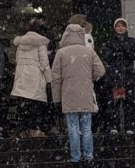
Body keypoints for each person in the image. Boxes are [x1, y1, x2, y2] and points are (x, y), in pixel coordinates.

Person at [51, 23, 106, 165]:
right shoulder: (88, 52)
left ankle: (75, 158)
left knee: (73, 129)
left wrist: (56, 99)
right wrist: (89, 77)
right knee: (87, 128)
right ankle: (89, 157)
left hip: (68, 95)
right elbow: (101, 71)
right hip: (85, 93)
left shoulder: (61, 53)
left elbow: (56, 78)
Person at [10, 17, 51, 138]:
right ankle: (34, 130)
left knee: (24, 104)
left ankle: (24, 129)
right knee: (36, 104)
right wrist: (49, 80)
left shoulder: (20, 43)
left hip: (22, 76)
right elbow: (44, 62)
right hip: (35, 76)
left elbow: (17, 60)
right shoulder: (41, 43)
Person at [101, 17, 135, 134]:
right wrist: (115, 52)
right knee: (115, 103)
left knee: (129, 103)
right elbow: (106, 56)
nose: (120, 28)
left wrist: (126, 50)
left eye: (122, 25)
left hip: (128, 77)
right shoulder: (110, 41)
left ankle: (130, 126)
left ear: (126, 28)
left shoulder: (131, 40)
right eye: (118, 26)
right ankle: (114, 126)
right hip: (115, 78)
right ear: (114, 28)